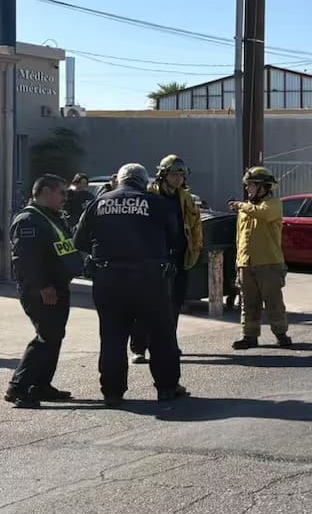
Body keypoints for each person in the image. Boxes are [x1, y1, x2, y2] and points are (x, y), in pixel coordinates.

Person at [73, 163, 188, 405]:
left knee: (112, 336)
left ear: (120, 180)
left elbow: (79, 240)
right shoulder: (157, 203)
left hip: (108, 278)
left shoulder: (100, 202)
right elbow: (177, 240)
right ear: (144, 182)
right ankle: (167, 387)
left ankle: (112, 392)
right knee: (161, 334)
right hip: (149, 279)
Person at [6, 175, 83, 408]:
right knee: (46, 337)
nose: (65, 198)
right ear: (46, 191)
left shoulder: (52, 218)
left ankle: (41, 385)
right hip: (41, 290)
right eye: (62, 193)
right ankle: (19, 387)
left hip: (57, 286)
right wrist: (43, 286)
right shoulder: (29, 220)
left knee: (55, 336)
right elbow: (25, 260)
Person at [129, 155, 204, 365]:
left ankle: (168, 343)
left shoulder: (185, 197)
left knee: (173, 305)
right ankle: (139, 348)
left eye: (181, 174)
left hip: (179, 258)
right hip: (152, 259)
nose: (178, 179)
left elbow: (195, 224)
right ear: (163, 175)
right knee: (146, 305)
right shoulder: (148, 195)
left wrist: (195, 249)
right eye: (173, 174)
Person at [229, 167, 291, 350]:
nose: (247, 189)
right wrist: (239, 262)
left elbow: (262, 213)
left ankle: (281, 334)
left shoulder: (273, 204)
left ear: (263, 187)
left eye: (251, 185)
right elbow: (240, 238)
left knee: (273, 301)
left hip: (269, 263)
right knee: (248, 303)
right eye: (247, 185)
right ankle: (249, 336)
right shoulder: (246, 209)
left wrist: (240, 205)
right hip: (246, 264)